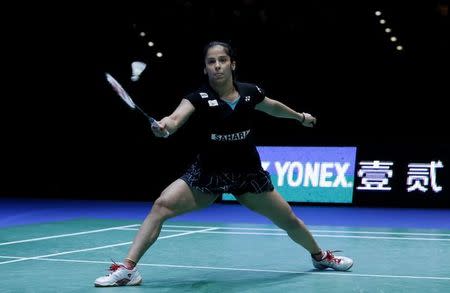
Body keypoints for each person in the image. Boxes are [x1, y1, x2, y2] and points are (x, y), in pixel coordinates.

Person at [94, 41, 353, 287]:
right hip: (209, 172)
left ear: (232, 64)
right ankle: (128, 269)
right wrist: (165, 127)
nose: (217, 65)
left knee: (289, 220)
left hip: (247, 173)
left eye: (222, 60)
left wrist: (299, 117)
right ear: (205, 68)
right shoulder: (198, 97)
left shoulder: (250, 93)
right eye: (211, 61)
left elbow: (272, 106)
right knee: (161, 206)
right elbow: (174, 119)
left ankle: (320, 257)